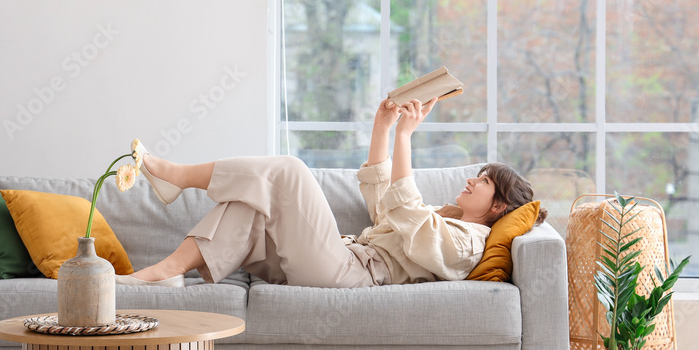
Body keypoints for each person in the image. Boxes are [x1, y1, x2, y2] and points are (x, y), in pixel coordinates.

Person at [116, 97, 547, 288]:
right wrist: (383, 125)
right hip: (330, 262)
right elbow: (384, 202)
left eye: (483, 180)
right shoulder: (448, 213)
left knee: (289, 169)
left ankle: (175, 174)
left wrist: (405, 137)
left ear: (498, 206)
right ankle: (168, 270)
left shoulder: (471, 242)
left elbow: (405, 209)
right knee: (247, 203)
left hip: (348, 274)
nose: (472, 179)